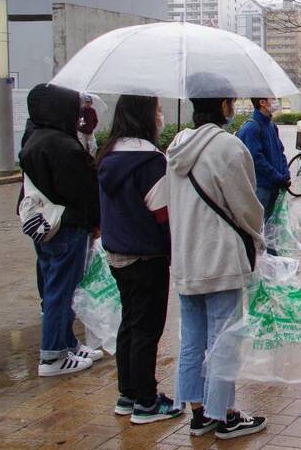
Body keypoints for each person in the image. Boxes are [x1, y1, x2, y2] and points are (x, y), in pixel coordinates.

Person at [166, 80, 268, 440]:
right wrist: (259, 237)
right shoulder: (228, 147)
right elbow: (246, 206)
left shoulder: (176, 145)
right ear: (224, 105)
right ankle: (225, 415)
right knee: (225, 340)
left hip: (185, 260)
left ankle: (198, 414)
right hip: (221, 259)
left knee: (192, 340)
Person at [96, 95, 181, 423]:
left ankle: (128, 394)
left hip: (117, 255)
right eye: (158, 110)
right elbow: (163, 214)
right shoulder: (150, 163)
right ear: (145, 116)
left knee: (130, 324)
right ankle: (146, 402)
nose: (161, 116)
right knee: (147, 329)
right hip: (148, 257)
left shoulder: (107, 157)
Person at [20, 84, 104, 377]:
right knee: (62, 290)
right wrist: (96, 220)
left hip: (47, 225)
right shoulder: (63, 146)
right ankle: (53, 355)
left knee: (57, 286)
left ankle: (67, 343)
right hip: (68, 226)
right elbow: (84, 190)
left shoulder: (34, 139)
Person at [237, 98, 290, 228]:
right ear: (262, 102)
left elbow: (280, 151)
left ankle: (272, 249)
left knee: (273, 229)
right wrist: (278, 177)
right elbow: (257, 160)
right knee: (258, 227)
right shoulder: (251, 128)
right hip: (261, 187)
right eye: (272, 98)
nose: (276, 101)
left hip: (275, 185)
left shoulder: (271, 125)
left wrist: (285, 173)